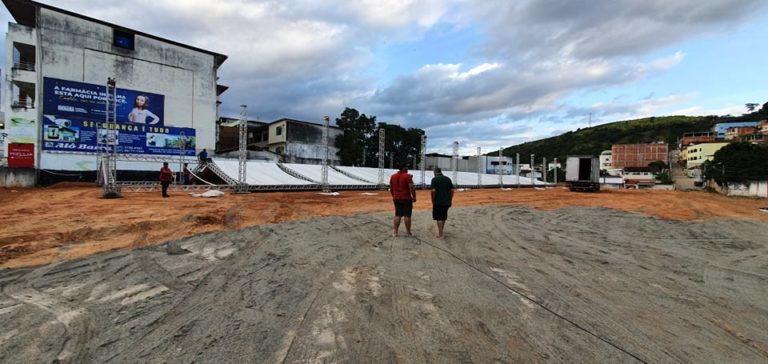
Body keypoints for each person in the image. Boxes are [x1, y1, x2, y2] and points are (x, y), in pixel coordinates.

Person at [389, 164, 416, 237]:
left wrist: (393, 195)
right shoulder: (407, 176)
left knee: (397, 215)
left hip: (396, 198)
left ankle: (395, 232)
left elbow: (391, 188)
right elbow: (411, 187)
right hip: (406, 198)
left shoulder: (393, 176)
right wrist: (414, 197)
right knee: (407, 215)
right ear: (404, 168)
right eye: (406, 168)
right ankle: (408, 232)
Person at [430, 168, 454, 239]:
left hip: (438, 202)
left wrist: (433, 200)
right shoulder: (448, 179)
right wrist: (450, 199)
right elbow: (452, 191)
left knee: (439, 218)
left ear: (435, 172)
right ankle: (441, 231)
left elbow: (433, 191)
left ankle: (440, 234)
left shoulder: (434, 179)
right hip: (447, 202)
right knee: (443, 217)